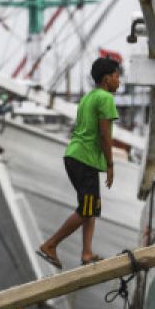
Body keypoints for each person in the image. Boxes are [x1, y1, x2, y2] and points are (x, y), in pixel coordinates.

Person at [37, 57, 122, 270]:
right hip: (84, 159)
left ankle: (86, 253)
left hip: (76, 156)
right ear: (106, 79)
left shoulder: (88, 97)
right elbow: (104, 134)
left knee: (90, 207)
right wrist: (110, 164)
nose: (119, 81)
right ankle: (50, 245)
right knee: (86, 209)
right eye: (116, 76)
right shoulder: (105, 98)